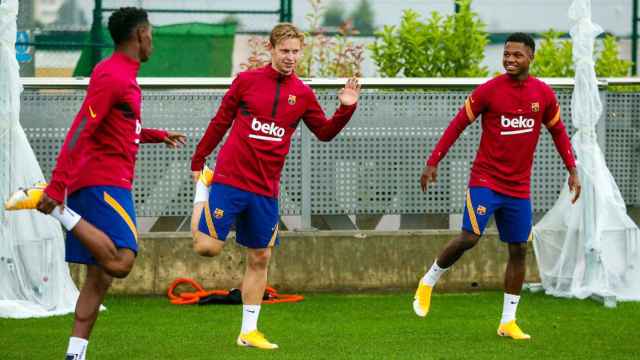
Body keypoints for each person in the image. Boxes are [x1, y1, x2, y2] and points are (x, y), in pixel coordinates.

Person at [4, 7, 186, 359]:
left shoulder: (123, 75)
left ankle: (75, 354)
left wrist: (154, 135)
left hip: (107, 180)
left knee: (98, 279)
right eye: (151, 34)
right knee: (121, 262)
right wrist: (57, 188)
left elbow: (118, 126)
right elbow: (81, 130)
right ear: (139, 36)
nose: (153, 42)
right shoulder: (114, 75)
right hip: (103, 183)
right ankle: (57, 209)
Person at [190, 23, 360, 350]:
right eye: (285, 51)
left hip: (266, 189)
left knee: (260, 257)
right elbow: (220, 121)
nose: (291, 58)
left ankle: (248, 332)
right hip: (230, 179)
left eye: (296, 51)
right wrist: (199, 161)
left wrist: (346, 107)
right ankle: (202, 191)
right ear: (271, 48)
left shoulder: (303, 94)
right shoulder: (247, 82)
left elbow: (324, 133)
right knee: (207, 249)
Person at [413, 32, 581, 340]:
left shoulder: (543, 95)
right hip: (485, 180)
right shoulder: (489, 90)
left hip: (519, 188)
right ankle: (429, 279)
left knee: (518, 249)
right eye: (506, 54)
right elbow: (457, 124)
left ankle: (507, 322)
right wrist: (432, 161)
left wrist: (573, 169)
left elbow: (558, 132)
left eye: (517, 55)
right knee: (470, 237)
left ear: (531, 57)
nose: (510, 60)